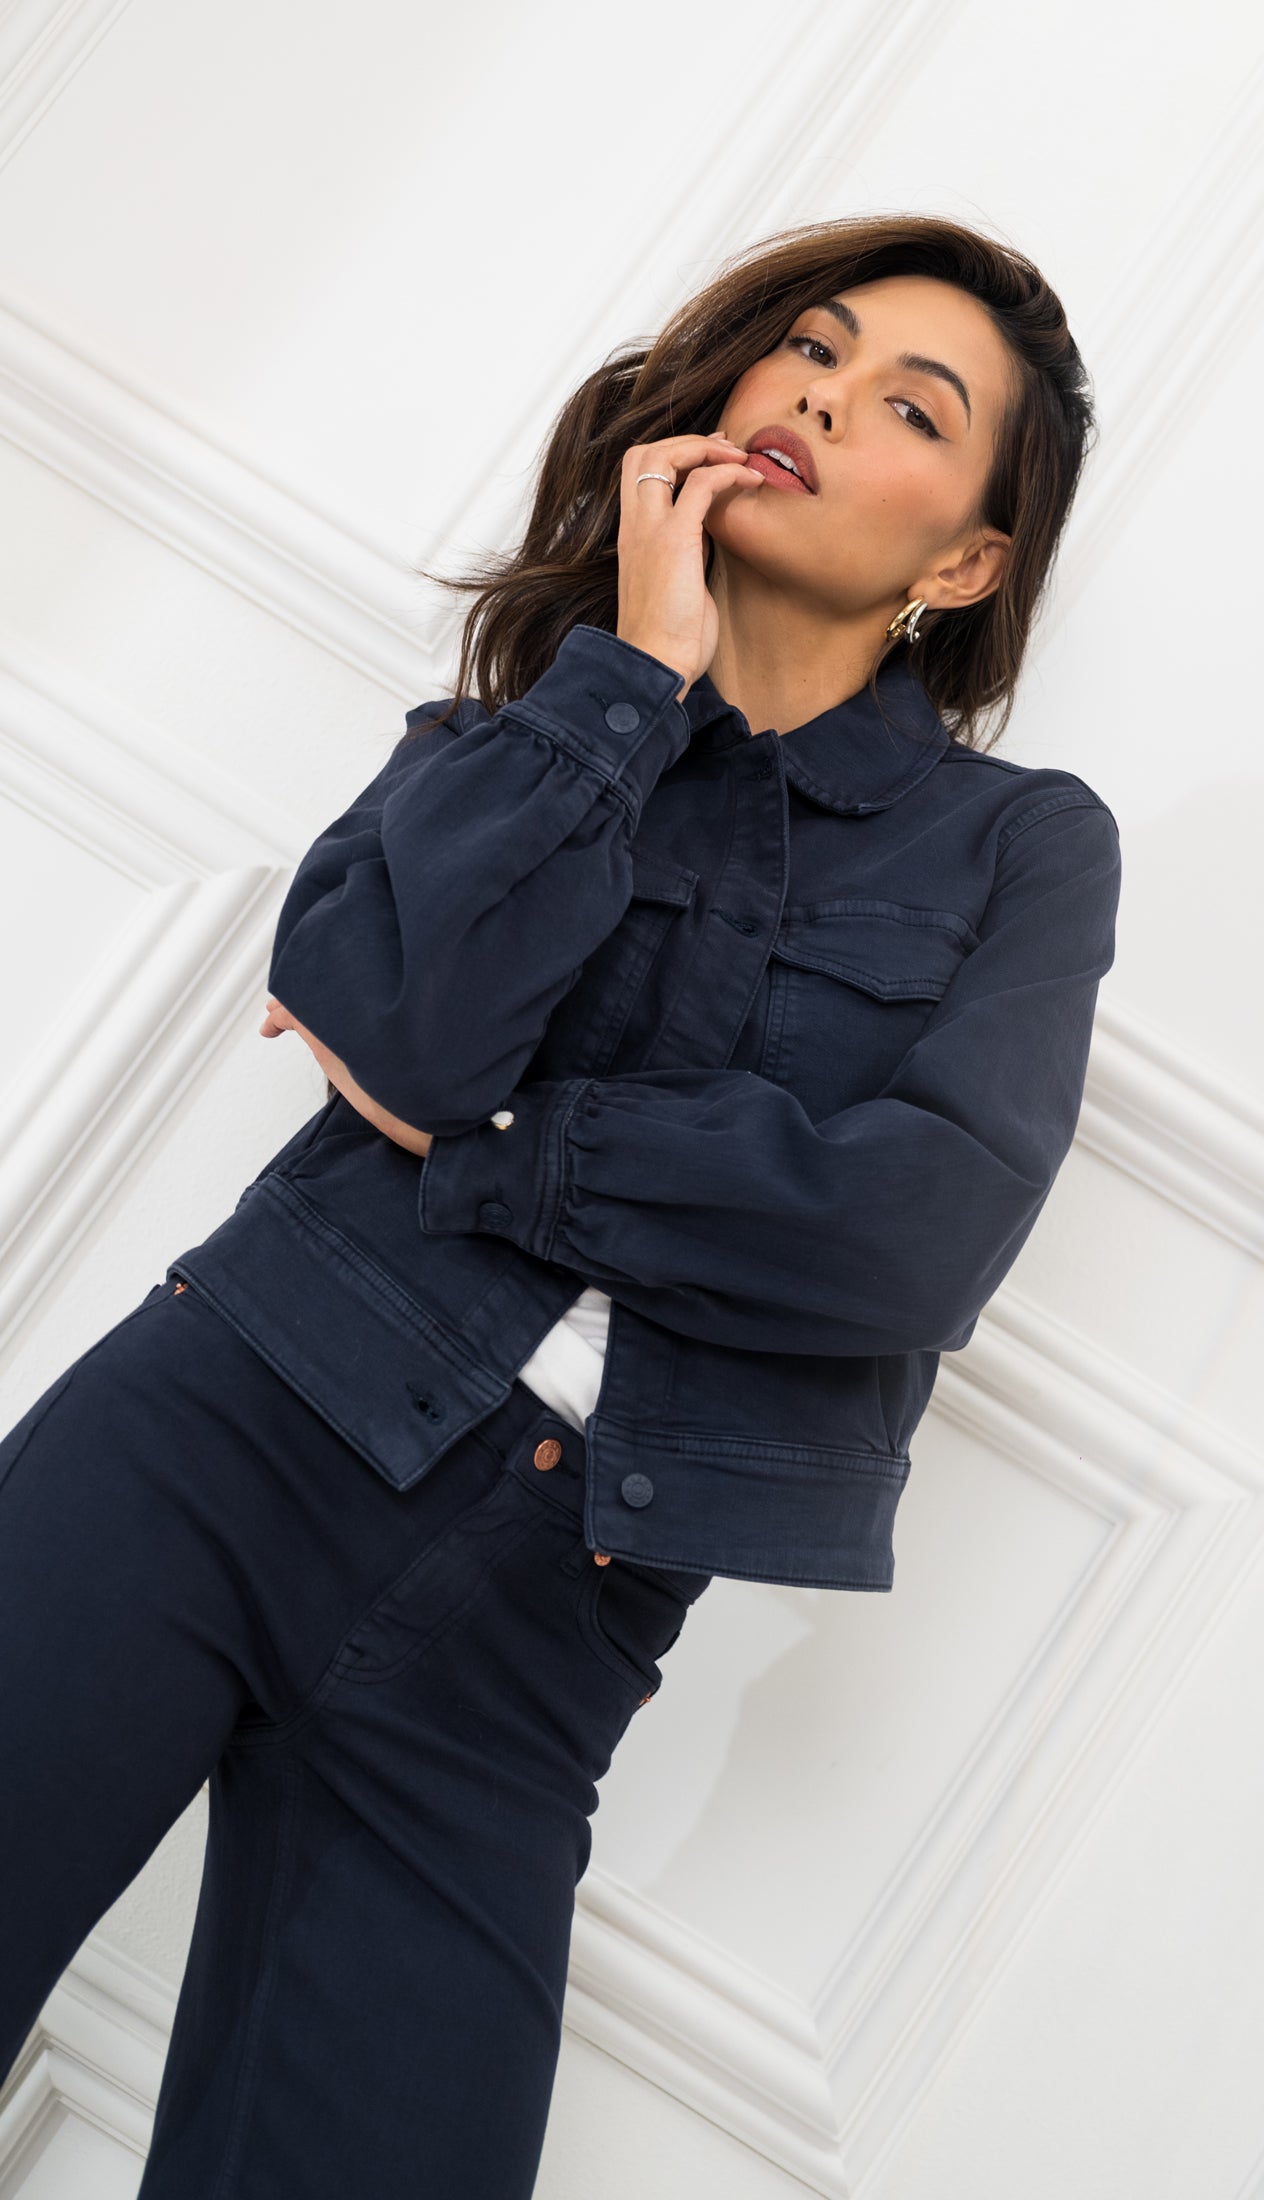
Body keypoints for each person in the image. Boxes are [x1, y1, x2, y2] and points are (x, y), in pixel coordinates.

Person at [0, 212, 1122, 2198]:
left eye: (905, 407)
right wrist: (631, 678)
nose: (812, 396)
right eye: (809, 350)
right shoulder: (526, 726)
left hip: (544, 1609)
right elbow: (407, 1030)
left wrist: (494, 1146)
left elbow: (916, 1233)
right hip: (223, 1423)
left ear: (963, 565)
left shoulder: (1021, 851)